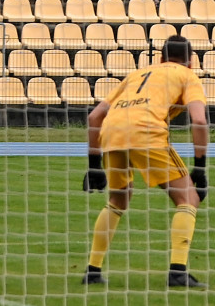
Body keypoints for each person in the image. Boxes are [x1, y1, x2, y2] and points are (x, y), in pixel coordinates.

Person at [80, 35, 208, 289]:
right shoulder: (187, 75)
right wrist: (200, 166)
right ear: (190, 62)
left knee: (118, 199)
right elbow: (200, 121)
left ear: (160, 58)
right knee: (188, 199)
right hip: (146, 132)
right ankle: (178, 271)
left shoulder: (137, 74)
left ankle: (92, 270)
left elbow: (94, 117)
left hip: (113, 131)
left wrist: (93, 165)